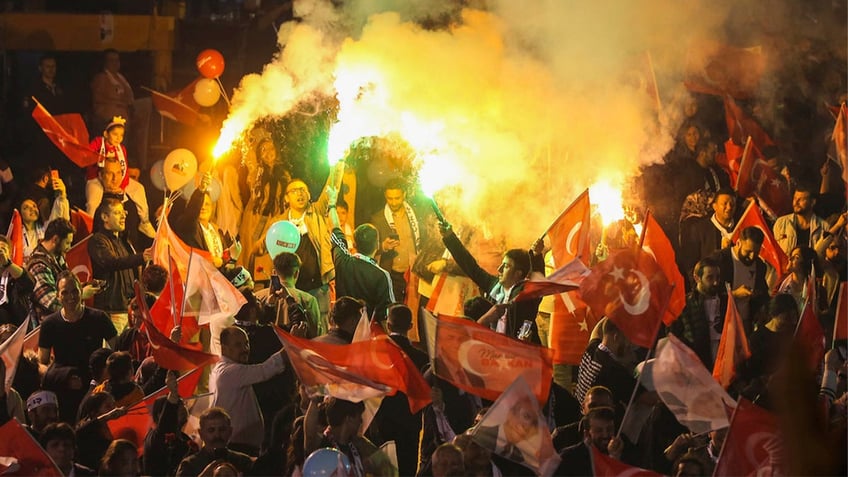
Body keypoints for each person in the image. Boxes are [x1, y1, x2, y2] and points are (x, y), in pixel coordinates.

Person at [439, 222, 543, 344]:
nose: (499, 270)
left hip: (520, 357)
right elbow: (471, 267)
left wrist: (536, 256)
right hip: (493, 353)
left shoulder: (525, 296)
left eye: (506, 266)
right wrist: (450, 238)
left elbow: (539, 286)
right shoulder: (495, 287)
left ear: (518, 273)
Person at [38, 272, 116, 422]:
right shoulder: (49, 325)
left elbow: (118, 350)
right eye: (65, 292)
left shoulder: (99, 318)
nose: (71, 297)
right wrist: (64, 378)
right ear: (58, 296)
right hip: (63, 392)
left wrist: (103, 379)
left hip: (94, 388)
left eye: (74, 291)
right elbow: (42, 363)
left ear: (81, 291)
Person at [209, 326, 289, 456]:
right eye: (238, 345)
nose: (245, 349)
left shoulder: (225, 370)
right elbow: (265, 370)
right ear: (224, 348)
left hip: (244, 446)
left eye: (246, 344)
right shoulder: (229, 372)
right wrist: (291, 344)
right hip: (238, 447)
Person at [327, 185, 395, 322]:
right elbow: (386, 313)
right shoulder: (382, 275)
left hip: (342, 329)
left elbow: (335, 228)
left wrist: (332, 205)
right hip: (365, 335)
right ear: (377, 244)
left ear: (355, 244)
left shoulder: (342, 261)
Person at [88, 198, 152, 333]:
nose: (123, 216)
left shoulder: (124, 241)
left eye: (124, 212)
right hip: (111, 310)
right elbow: (111, 262)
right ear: (105, 217)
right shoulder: (98, 240)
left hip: (127, 309)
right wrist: (140, 257)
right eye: (117, 213)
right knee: (114, 351)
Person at [87, 125, 155, 246]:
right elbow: (87, 153)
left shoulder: (121, 149)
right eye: (115, 134)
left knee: (139, 188)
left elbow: (124, 169)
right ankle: (87, 233)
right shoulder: (99, 143)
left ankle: (144, 222)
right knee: (92, 203)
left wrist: (121, 186)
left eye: (121, 135)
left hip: (121, 182)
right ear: (106, 134)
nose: (118, 138)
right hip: (96, 178)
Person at [26, 218, 96, 325]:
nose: (69, 247)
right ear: (55, 239)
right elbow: (50, 301)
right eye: (67, 243)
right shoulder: (38, 265)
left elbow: (64, 288)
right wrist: (80, 295)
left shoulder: (57, 258)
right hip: (50, 327)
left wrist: (84, 286)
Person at [239, 137, 291, 278]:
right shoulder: (257, 172)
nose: (268, 152)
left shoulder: (284, 174)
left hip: (273, 219)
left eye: (271, 148)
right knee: (253, 255)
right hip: (255, 218)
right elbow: (255, 193)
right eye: (263, 149)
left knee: (270, 260)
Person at [303, 397, 393, 476]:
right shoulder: (323, 444)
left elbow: (386, 467)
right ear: (348, 419)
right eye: (359, 416)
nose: (361, 421)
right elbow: (309, 435)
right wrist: (314, 401)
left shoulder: (359, 446)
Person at [370, 179, 425, 304]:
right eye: (390, 198)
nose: (394, 202)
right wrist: (383, 246)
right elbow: (369, 247)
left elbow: (424, 239)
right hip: (393, 274)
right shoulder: (378, 219)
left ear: (404, 195)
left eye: (397, 198)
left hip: (414, 272)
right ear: (385, 196)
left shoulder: (415, 215)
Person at [711, 226, 770, 336]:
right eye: (748, 251)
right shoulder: (720, 260)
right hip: (722, 326)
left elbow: (764, 295)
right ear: (738, 243)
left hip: (746, 326)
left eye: (756, 252)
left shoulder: (760, 266)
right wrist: (734, 295)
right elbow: (708, 294)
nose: (752, 257)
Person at [669, 257, 727, 369]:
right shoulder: (684, 305)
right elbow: (673, 338)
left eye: (717, 277)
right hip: (696, 366)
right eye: (710, 277)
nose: (715, 282)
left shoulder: (726, 302)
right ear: (697, 278)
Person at [176, 407, 254, 477]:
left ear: (230, 432)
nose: (217, 435)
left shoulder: (243, 462)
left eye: (222, 429)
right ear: (201, 433)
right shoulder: (189, 465)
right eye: (211, 430)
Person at [258, 251, 321, 336]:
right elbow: (315, 333)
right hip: (296, 348)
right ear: (296, 273)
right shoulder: (308, 300)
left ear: (274, 272)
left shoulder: (258, 296)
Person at [678, 189, 736, 281]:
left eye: (732, 204)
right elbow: (690, 264)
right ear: (714, 206)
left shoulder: (740, 228)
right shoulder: (699, 229)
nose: (729, 207)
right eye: (724, 204)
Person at [144, 371, 194, 477]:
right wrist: (173, 394)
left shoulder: (185, 439)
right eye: (176, 405)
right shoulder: (155, 437)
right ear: (159, 415)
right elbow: (166, 426)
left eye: (181, 403)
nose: (181, 407)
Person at [555, 407, 624, 477]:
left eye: (609, 429)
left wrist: (615, 459)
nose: (605, 435)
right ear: (587, 434)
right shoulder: (569, 459)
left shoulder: (625, 454)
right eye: (599, 430)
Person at [19, 175, 70, 260]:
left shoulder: (45, 228)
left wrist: (62, 196)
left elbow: (58, 216)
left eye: (34, 206)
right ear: (20, 214)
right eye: (26, 208)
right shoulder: (17, 235)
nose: (32, 209)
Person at [552, 385, 615, 452]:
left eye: (604, 406)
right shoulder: (562, 436)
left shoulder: (621, 440)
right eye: (593, 406)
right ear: (583, 408)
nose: (597, 411)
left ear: (613, 408)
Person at [773, 185, 831, 255]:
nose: (796, 202)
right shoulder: (781, 223)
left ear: (812, 202)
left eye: (801, 199)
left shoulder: (824, 227)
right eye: (795, 198)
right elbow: (774, 251)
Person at [90, 49, 134, 132]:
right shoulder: (101, 78)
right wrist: (117, 103)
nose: (115, 63)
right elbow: (97, 99)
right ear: (105, 62)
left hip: (124, 115)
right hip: (108, 117)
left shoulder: (121, 78)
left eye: (117, 60)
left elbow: (129, 97)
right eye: (111, 60)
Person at [0, 234, 35, 326]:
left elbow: (29, 284)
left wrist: (7, 264)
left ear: (10, 254)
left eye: (3, 249)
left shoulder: (15, 275)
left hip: (21, 330)